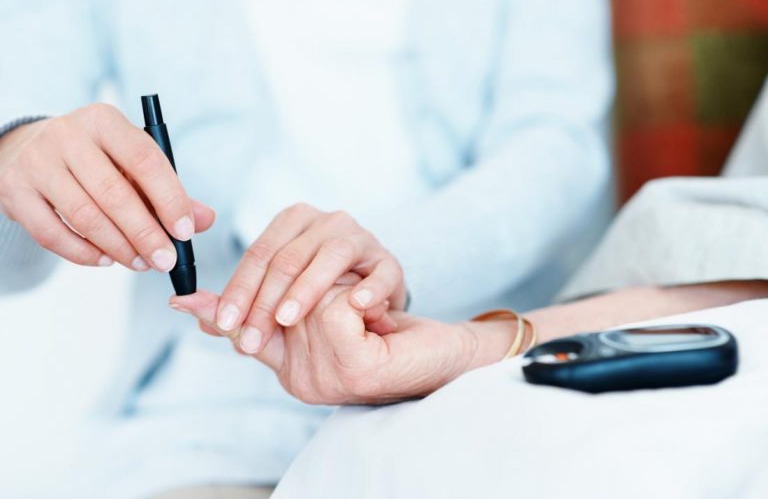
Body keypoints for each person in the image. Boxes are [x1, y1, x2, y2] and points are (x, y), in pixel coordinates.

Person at [0, 0, 612, 497]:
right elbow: (12, 264)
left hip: (481, 375)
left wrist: (387, 265)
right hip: (215, 416)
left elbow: (558, 150)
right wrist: (13, 152)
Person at [172, 79, 768, 497]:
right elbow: (744, 243)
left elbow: (555, 149)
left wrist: (393, 275)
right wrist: (471, 346)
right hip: (203, 416)